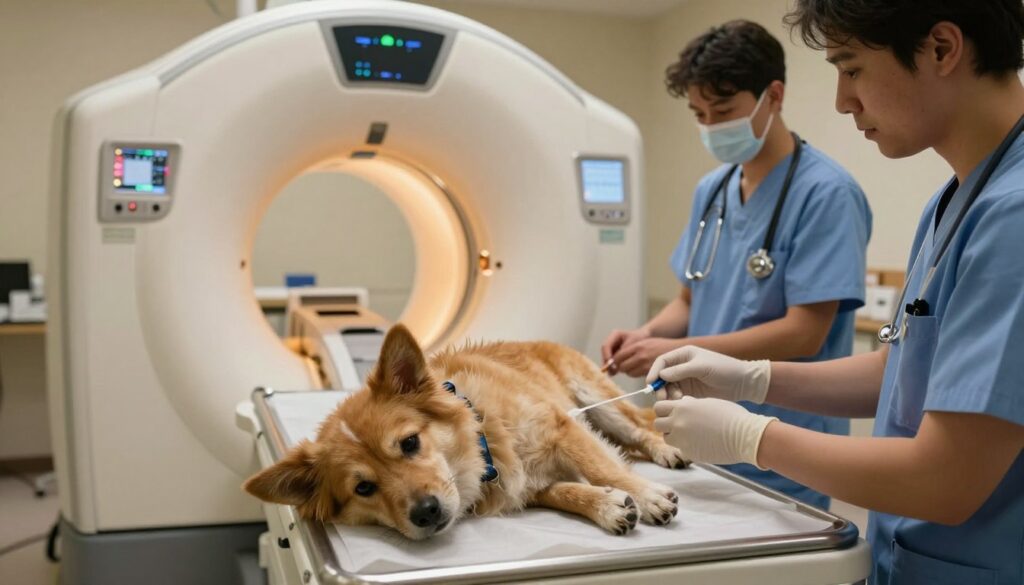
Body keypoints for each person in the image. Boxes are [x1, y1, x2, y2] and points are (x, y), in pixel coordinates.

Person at [650, 2, 1024, 583]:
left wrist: (752, 434)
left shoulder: (1014, 215)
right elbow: (900, 371)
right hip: (906, 559)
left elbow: (947, 480)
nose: (841, 101)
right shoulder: (954, 200)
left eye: (851, 69)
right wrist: (751, 376)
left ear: (943, 49)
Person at [601, 20, 872, 509]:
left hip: (786, 445)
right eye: (699, 113)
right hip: (700, 437)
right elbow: (689, 298)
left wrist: (679, 347)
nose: (709, 126)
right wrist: (645, 336)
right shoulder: (714, 190)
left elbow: (804, 333)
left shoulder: (827, 193)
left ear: (774, 95)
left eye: (723, 111)